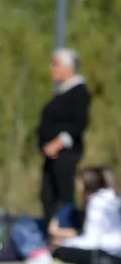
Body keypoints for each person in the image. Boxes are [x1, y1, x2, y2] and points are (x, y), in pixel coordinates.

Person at [30, 166, 121, 264]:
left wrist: (67, 243)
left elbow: (92, 240)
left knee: (60, 251)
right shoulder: (114, 199)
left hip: (104, 251)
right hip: (115, 249)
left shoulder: (96, 203)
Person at [37, 48, 91, 227]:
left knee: (65, 196)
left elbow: (79, 123)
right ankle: (53, 235)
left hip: (65, 154)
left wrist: (58, 143)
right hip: (51, 156)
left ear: (69, 68)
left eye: (56, 64)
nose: (52, 68)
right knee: (47, 196)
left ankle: (68, 234)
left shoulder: (78, 92)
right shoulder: (63, 91)